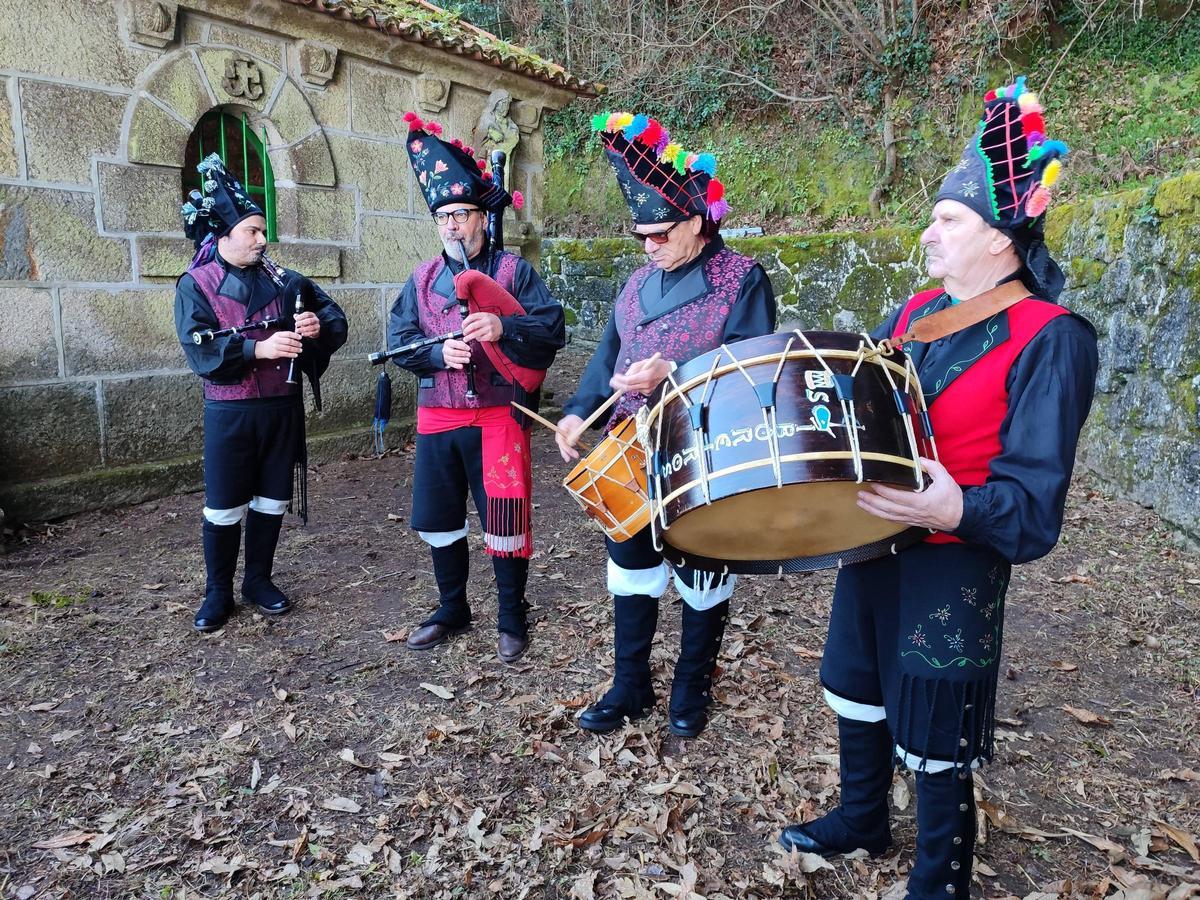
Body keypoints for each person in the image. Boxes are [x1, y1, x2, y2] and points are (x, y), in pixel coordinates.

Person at [778, 79, 1099, 899]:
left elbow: (1033, 507)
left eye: (948, 219)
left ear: (1001, 241)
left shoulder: (1052, 338)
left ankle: (938, 879)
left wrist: (953, 506)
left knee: (936, 719)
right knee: (855, 681)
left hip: (956, 551)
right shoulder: (919, 309)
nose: (929, 230)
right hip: (873, 534)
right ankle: (861, 818)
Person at [556, 112, 776, 738]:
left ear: (699, 219)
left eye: (659, 234)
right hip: (629, 445)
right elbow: (607, 359)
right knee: (629, 561)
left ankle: (691, 683)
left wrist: (674, 371)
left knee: (703, 565)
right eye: (640, 236)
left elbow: (754, 368)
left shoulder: (742, 278)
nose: (648, 247)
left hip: (704, 445)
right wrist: (575, 413)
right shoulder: (634, 285)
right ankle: (631, 685)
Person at [388, 112, 565, 664]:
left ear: (483, 218)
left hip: (498, 415)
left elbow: (553, 329)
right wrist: (438, 352)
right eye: (443, 217)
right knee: (440, 519)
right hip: (437, 416)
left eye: (461, 214)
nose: (452, 226)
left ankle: (512, 615)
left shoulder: (514, 273)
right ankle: (452, 608)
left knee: (505, 518)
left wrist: (503, 327)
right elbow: (399, 342)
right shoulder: (419, 280)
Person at [176, 154, 347, 633]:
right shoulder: (196, 285)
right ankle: (218, 592)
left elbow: (335, 320)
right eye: (251, 230)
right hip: (230, 414)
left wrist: (314, 328)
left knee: (272, 500)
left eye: (262, 229)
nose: (261, 239)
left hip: (281, 409)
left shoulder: (287, 281)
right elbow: (199, 350)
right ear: (223, 236)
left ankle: (258, 580)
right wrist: (258, 346)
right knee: (224, 504)